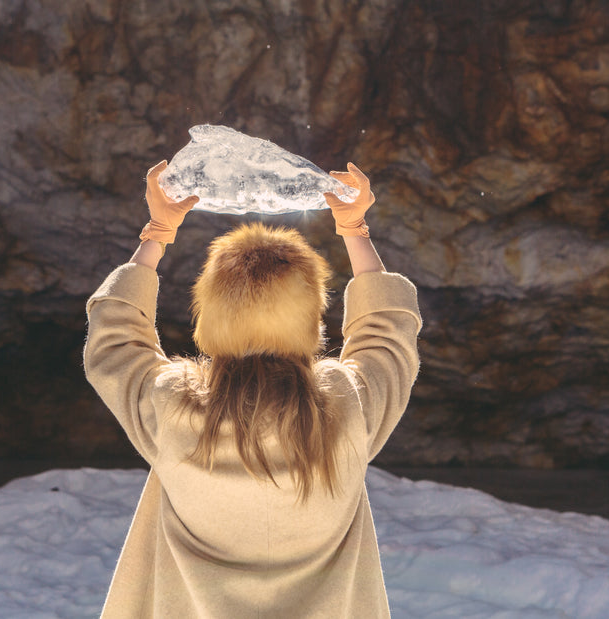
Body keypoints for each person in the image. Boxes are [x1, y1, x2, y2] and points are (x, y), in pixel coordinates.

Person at [84, 158, 421, 618]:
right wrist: (355, 229)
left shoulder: (173, 407)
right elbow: (387, 332)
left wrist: (157, 232)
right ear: (310, 319)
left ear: (210, 316)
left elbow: (115, 336)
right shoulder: (347, 406)